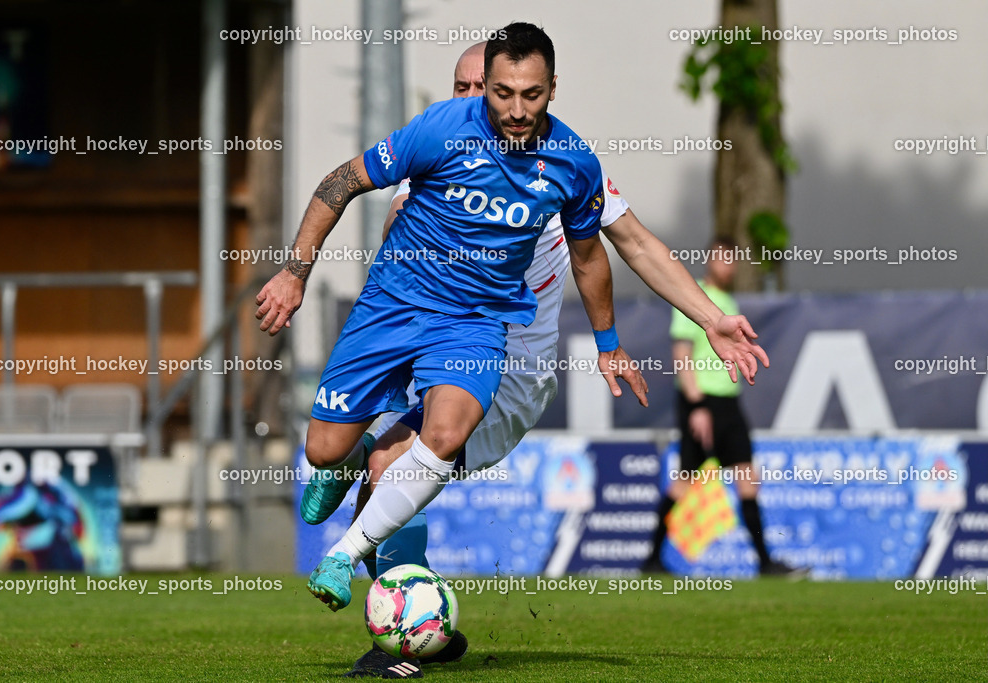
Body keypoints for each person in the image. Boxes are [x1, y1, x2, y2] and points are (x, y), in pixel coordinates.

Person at [302, 41, 771, 679]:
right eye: (472, 90)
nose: (492, 108)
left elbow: (633, 245)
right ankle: (361, 493)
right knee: (346, 455)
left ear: (548, 90)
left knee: (391, 465)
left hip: (509, 372)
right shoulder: (434, 163)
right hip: (426, 341)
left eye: (518, 93)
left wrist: (707, 318)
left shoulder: (560, 176)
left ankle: (403, 642)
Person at [256, 22, 649, 619]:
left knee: (443, 436)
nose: (517, 110)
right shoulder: (441, 129)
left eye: (532, 95)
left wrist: (609, 342)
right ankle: (353, 455)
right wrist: (295, 273)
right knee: (322, 449)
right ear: (485, 86)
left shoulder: (573, 163)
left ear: (552, 89)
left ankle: (341, 555)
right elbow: (339, 183)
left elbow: (591, 257)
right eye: (501, 93)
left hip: (475, 322)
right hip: (394, 306)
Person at [642, 237, 794, 576]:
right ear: (710, 259)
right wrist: (696, 406)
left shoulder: (728, 300)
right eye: (723, 257)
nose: (729, 265)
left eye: (733, 259)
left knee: (747, 479)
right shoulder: (693, 294)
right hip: (702, 403)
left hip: (730, 404)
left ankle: (765, 564)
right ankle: (651, 560)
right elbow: (682, 356)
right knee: (683, 483)